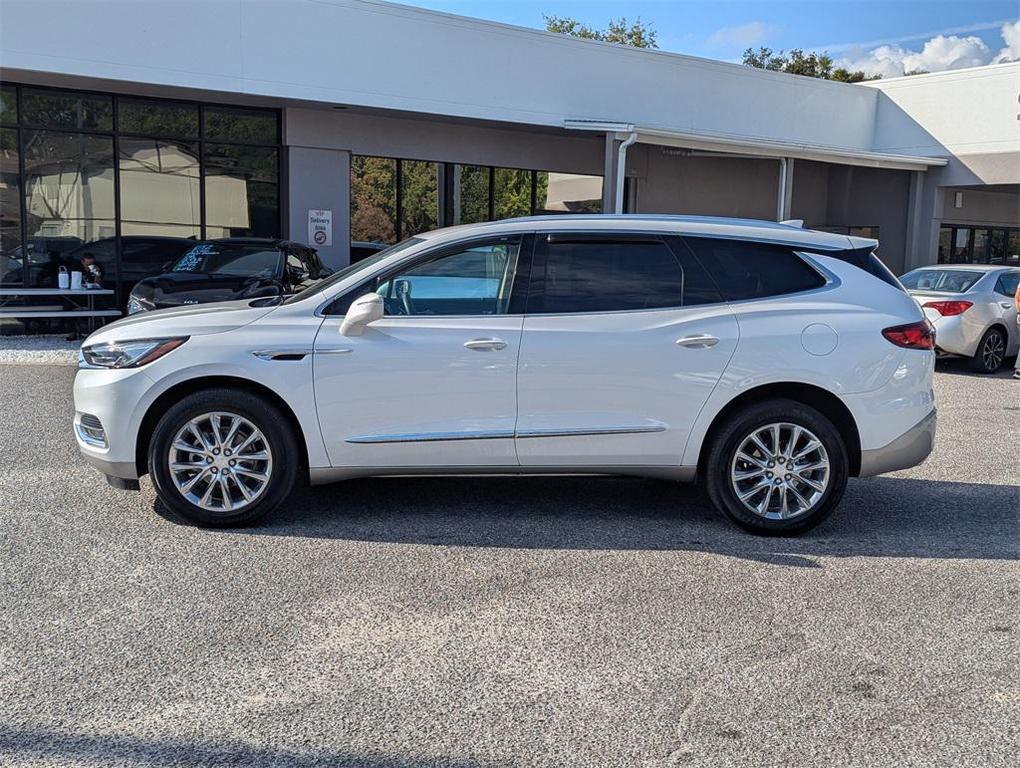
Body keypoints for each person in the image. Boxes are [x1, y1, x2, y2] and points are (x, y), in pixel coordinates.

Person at [66, 252, 106, 341]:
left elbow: (98, 284)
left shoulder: (98, 267)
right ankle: (72, 332)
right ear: (83, 262)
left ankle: (99, 331)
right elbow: (72, 282)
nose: (89, 266)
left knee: (102, 305)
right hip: (78, 295)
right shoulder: (76, 268)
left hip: (94, 295)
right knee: (68, 306)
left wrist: (97, 275)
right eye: (87, 264)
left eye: (91, 264)